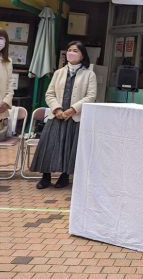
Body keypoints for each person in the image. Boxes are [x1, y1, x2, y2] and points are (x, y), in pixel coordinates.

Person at [30, 41, 97, 189]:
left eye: (75, 51)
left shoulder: (89, 74)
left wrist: (73, 109)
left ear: (82, 55)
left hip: (74, 117)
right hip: (57, 116)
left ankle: (64, 176)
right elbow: (49, 94)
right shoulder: (58, 72)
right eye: (69, 50)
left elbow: (91, 96)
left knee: (69, 147)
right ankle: (45, 177)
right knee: (49, 146)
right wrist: (57, 109)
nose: (71, 53)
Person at [0, 27, 13, 147]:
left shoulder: (8, 61)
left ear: (5, 42)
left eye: (0, 38)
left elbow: (10, 83)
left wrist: (6, 102)